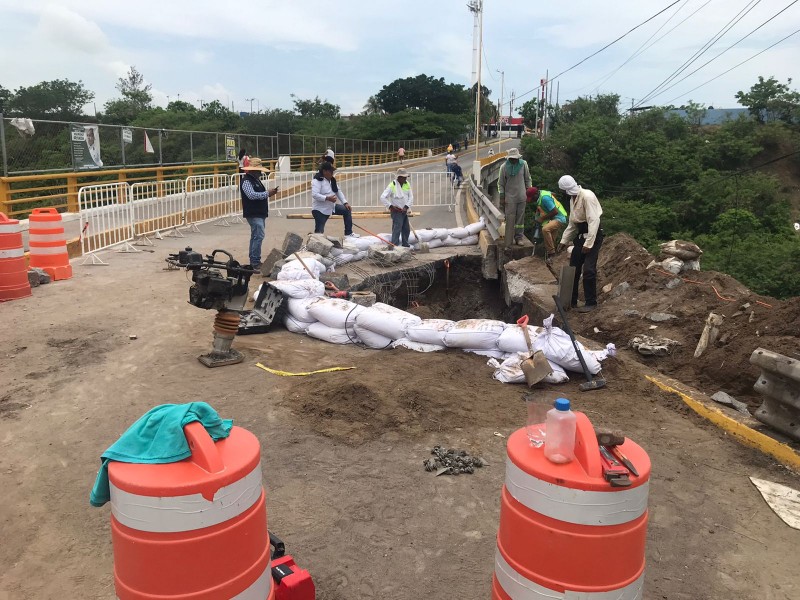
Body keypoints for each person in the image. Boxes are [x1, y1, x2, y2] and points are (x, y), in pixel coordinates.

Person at [557, 175, 604, 313]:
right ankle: (571, 300)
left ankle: (591, 302)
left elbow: (593, 221)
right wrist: (563, 241)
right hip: (580, 235)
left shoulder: (587, 196)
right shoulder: (574, 199)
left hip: (593, 235)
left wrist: (589, 243)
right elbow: (573, 224)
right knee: (574, 269)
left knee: (589, 269)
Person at [240, 158, 279, 269]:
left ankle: (254, 260)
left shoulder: (254, 180)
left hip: (258, 213)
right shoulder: (247, 181)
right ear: (254, 171)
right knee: (258, 236)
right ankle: (255, 261)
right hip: (253, 213)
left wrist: (267, 193)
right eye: (259, 171)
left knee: (256, 236)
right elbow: (251, 195)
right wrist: (267, 193)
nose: (261, 173)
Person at [311, 162, 359, 238]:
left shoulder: (332, 180)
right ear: (324, 171)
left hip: (331, 207)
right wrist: (327, 198)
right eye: (330, 171)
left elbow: (338, 191)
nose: (332, 173)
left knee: (346, 210)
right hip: (320, 210)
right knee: (319, 233)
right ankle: (316, 242)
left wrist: (345, 202)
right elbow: (315, 194)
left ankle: (348, 233)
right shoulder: (317, 181)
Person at [498, 147, 531, 247]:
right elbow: (500, 184)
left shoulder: (523, 164)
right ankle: (509, 238)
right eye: (511, 158)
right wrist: (502, 197)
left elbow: (528, 179)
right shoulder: (503, 167)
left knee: (520, 219)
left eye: (515, 158)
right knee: (509, 218)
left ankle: (519, 237)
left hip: (521, 196)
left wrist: (529, 192)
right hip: (509, 198)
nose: (513, 160)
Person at [527, 186, 567, 261]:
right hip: (552, 218)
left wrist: (542, 218)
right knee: (551, 239)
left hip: (559, 218)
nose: (532, 200)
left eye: (532, 198)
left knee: (545, 229)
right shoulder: (541, 193)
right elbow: (553, 194)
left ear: (536, 194)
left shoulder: (545, 198)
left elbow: (555, 212)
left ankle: (551, 254)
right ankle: (550, 258)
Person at [380, 168, 413, 247]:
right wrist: (390, 206)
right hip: (396, 211)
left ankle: (405, 243)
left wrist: (406, 206)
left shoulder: (407, 184)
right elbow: (382, 197)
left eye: (406, 177)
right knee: (397, 228)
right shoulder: (392, 185)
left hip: (404, 210)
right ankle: (394, 244)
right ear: (399, 177)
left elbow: (411, 197)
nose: (405, 179)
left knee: (406, 229)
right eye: (404, 177)